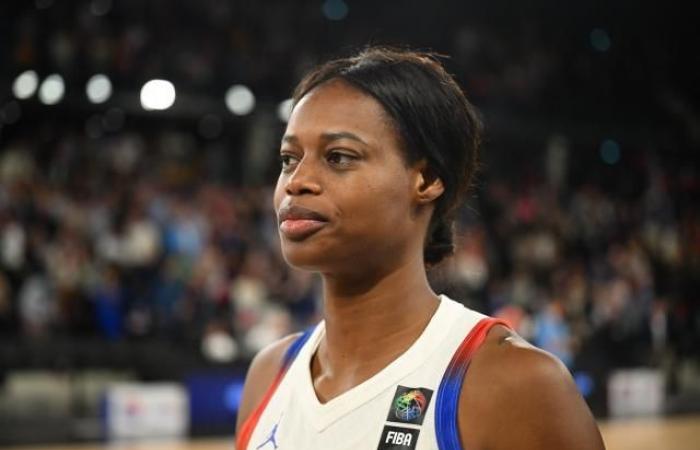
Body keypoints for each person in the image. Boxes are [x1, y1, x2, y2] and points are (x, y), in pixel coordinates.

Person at [235, 46, 605, 450]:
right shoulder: (268, 374)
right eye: (289, 159)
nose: (296, 181)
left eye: (338, 157)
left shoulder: (513, 381)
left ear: (426, 179)